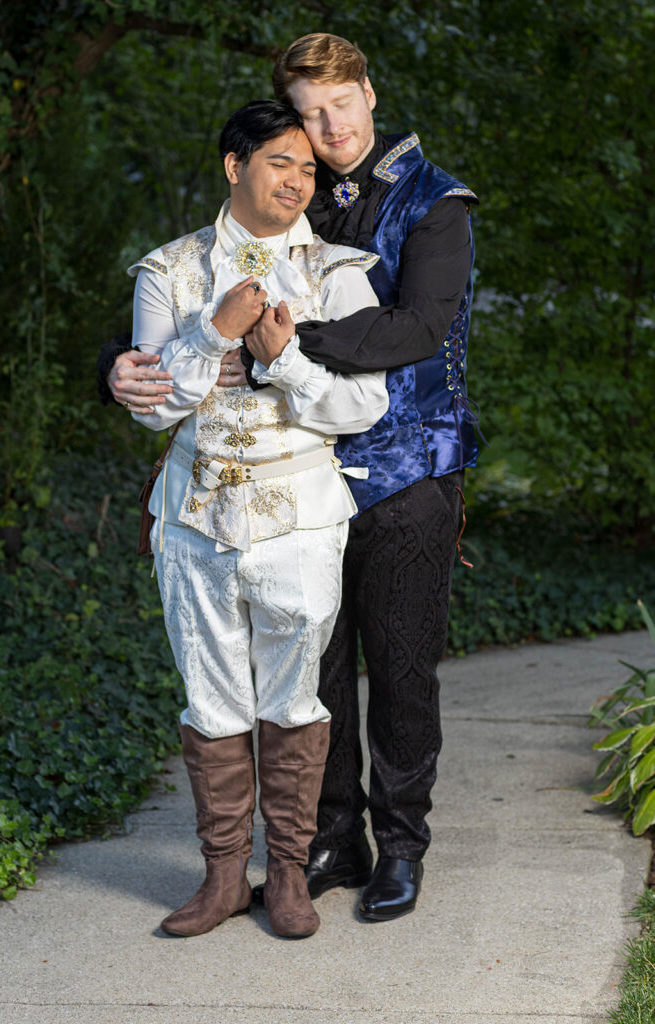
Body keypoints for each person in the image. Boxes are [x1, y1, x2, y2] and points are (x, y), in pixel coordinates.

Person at [102, 33, 480, 923]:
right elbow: (172, 323)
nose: (326, 130)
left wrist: (275, 346)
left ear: (370, 95)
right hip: (293, 481)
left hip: (404, 468)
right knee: (312, 668)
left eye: (339, 106)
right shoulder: (296, 185)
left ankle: (403, 844)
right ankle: (331, 836)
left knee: (398, 665)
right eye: (308, 115)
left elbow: (418, 330)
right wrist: (123, 367)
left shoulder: (435, 203)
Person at [126, 98, 388, 940]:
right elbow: (150, 411)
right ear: (235, 167)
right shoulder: (166, 272)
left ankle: (287, 877)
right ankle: (217, 878)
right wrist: (212, 333)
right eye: (282, 161)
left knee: (294, 700)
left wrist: (283, 362)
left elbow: (362, 406)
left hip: (303, 519)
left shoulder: (339, 272)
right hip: (195, 520)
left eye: (310, 167)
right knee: (210, 702)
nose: (300, 179)